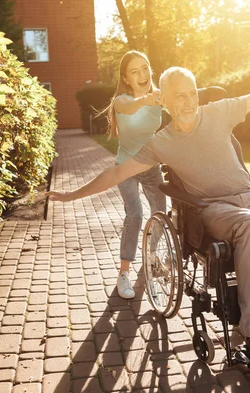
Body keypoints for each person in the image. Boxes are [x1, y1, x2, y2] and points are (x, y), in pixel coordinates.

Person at [48, 51, 250, 373]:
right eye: (179, 96)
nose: (189, 101)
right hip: (215, 210)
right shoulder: (160, 142)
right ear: (163, 101)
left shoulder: (218, 112)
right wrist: (70, 195)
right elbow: (115, 174)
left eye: (192, 93)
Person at [101, 50, 166, 300]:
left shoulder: (159, 96)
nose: (142, 75)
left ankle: (150, 257)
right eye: (135, 71)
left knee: (161, 213)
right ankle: (124, 273)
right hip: (126, 167)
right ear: (126, 78)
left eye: (145, 67)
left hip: (151, 167)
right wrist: (146, 100)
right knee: (135, 214)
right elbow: (130, 107)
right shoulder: (121, 101)